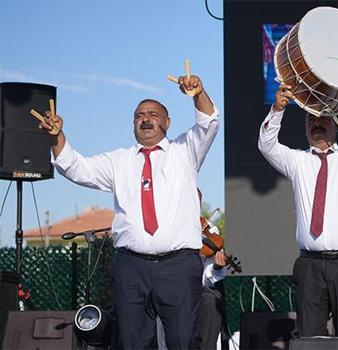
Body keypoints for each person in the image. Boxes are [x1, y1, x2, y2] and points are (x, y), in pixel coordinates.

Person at [39, 75, 219, 349]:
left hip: (178, 266)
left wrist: (198, 94)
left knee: (184, 341)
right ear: (133, 123)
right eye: (139, 115)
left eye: (153, 114)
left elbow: (209, 122)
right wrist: (57, 137)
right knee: (133, 342)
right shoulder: (118, 161)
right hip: (130, 267)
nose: (145, 119)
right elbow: (76, 168)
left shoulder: (185, 151)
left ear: (167, 122)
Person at [258, 60, 338, 337]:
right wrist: (278, 109)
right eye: (311, 120)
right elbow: (267, 145)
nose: (316, 124)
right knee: (309, 338)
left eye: (322, 120)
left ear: (336, 124)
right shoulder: (297, 162)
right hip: (310, 265)